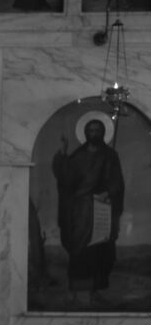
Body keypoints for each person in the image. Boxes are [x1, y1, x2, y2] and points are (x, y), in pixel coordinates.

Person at [52, 118, 125, 306]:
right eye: (91, 130)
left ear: (103, 133)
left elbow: (117, 181)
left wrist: (108, 192)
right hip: (80, 212)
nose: (94, 133)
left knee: (100, 251)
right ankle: (75, 293)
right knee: (79, 252)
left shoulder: (110, 155)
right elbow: (65, 178)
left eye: (97, 130)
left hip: (101, 210)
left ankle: (94, 293)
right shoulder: (78, 156)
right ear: (85, 133)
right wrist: (63, 152)